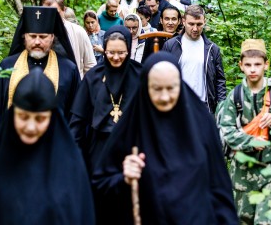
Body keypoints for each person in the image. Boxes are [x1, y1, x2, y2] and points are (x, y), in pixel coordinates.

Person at [92, 53, 239, 225]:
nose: (164, 97)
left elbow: (219, 188)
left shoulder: (201, 124)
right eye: (157, 88)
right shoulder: (131, 127)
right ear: (145, 86)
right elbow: (101, 186)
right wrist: (123, 178)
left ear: (180, 85)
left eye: (171, 88)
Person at [0, 68, 95, 225]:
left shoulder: (70, 165)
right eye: (23, 116)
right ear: (12, 113)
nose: (30, 127)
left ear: (52, 118)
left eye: (40, 119)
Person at [216, 39, 271, 225]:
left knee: (267, 222)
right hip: (242, 175)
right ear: (241, 66)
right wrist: (250, 142)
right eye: (248, 65)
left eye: (258, 65)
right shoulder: (235, 96)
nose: (253, 70)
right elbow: (226, 130)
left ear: (266, 65)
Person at [0, 6, 80, 141]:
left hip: (53, 146)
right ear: (24, 37)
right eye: (32, 36)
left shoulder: (69, 69)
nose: (37, 41)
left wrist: (69, 142)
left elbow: (78, 112)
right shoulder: (7, 66)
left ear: (52, 37)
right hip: (10, 143)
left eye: (43, 37)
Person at [70, 26, 142, 173]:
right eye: (111, 52)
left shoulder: (140, 75)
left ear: (128, 50)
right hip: (99, 148)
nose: (116, 58)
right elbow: (78, 120)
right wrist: (74, 155)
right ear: (104, 50)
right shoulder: (93, 77)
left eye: (121, 53)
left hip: (132, 148)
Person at [161, 4, 226, 114]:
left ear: (204, 21)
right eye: (191, 24)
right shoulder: (171, 45)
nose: (195, 29)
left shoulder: (212, 49)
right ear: (183, 21)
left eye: (199, 24)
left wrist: (221, 108)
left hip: (204, 107)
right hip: (177, 106)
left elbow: (220, 81)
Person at [42, 0, 96, 79]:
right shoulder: (35, 35)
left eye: (55, 13)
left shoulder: (78, 32)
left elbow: (90, 66)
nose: (51, 17)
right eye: (47, 13)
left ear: (64, 10)